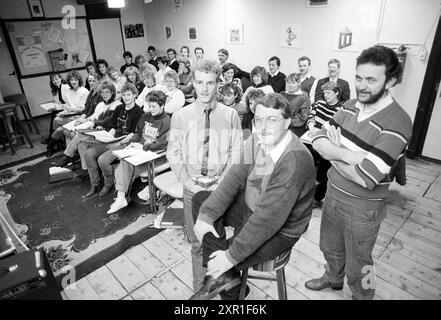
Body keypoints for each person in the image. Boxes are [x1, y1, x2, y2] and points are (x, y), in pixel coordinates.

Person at [305, 45, 413, 300]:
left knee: (361, 260)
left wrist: (333, 150)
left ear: (391, 81)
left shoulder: (399, 122)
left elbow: (366, 177)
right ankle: (332, 278)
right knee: (329, 246)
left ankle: (364, 294)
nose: (362, 86)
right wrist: (346, 154)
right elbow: (315, 138)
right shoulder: (350, 105)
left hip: (364, 209)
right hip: (332, 194)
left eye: (371, 80)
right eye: (358, 77)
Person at [189, 93, 316, 300]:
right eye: (258, 119)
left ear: (287, 122)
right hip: (251, 207)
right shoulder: (257, 139)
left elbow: (268, 219)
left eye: (272, 120)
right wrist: (206, 216)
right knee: (202, 201)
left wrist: (230, 257)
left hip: (281, 229)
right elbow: (234, 179)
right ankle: (230, 283)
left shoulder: (295, 160)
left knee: (223, 257)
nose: (263, 126)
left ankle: (229, 288)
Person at [166, 59, 243, 293]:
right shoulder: (180, 116)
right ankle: (201, 292)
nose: (204, 88)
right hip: (193, 187)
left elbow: (237, 154)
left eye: (210, 83)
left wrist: (222, 183)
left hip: (220, 188)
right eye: (199, 82)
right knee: (196, 243)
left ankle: (226, 291)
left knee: (218, 241)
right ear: (193, 83)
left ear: (218, 83)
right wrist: (188, 184)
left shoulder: (230, 116)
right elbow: (174, 153)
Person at [107, 90, 171, 214]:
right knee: (124, 162)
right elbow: (138, 132)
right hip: (141, 153)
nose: (151, 109)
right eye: (149, 106)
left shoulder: (166, 121)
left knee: (124, 165)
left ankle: (121, 197)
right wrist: (133, 143)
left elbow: (161, 145)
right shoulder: (146, 116)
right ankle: (121, 197)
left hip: (156, 156)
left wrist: (142, 147)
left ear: (162, 106)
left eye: (154, 107)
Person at [78, 83, 144, 198]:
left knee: (103, 160)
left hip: (126, 142)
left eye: (128, 94)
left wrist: (121, 140)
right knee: (88, 154)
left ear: (135, 95)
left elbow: (135, 133)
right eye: (123, 95)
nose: (126, 97)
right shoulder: (119, 108)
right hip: (113, 139)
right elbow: (113, 124)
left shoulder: (139, 112)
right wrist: (109, 136)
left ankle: (108, 184)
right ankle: (95, 184)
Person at [55, 81, 122, 168]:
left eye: (107, 92)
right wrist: (83, 120)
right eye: (102, 92)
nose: (104, 94)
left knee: (79, 135)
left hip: (106, 134)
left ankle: (67, 156)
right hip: (95, 131)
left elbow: (109, 122)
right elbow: (93, 117)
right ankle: (86, 169)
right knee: (81, 145)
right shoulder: (100, 104)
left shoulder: (117, 105)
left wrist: (94, 124)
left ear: (112, 92)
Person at [306, 81, 343, 205]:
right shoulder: (319, 103)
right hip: (312, 135)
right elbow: (311, 118)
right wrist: (312, 129)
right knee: (305, 154)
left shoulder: (341, 110)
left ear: (336, 93)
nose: (325, 95)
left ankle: (316, 193)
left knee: (324, 160)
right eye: (324, 93)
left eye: (328, 93)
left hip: (328, 140)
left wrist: (319, 134)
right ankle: (305, 183)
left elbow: (336, 130)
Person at [47, 70, 89, 156]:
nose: (73, 82)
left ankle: (50, 146)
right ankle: (52, 146)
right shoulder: (69, 91)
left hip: (79, 116)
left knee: (58, 127)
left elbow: (82, 110)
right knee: (57, 119)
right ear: (69, 81)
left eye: (75, 80)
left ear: (79, 80)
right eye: (71, 80)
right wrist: (64, 111)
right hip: (70, 114)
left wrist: (69, 109)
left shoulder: (84, 91)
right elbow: (68, 105)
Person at [281, 73, 310, 137]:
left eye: (293, 83)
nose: (290, 85)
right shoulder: (282, 94)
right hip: (281, 123)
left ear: (299, 84)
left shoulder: (303, 97)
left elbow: (303, 116)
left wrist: (288, 122)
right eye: (288, 82)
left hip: (296, 126)